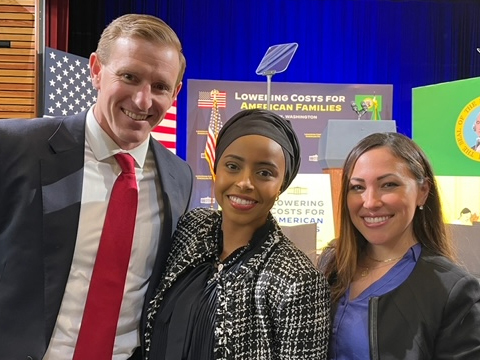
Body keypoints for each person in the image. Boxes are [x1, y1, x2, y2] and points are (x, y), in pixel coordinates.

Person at [0, 14, 193, 360]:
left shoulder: (179, 177)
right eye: (129, 77)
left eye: (160, 86)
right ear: (96, 70)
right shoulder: (14, 148)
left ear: (175, 92)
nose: (143, 101)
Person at [143, 109, 331, 359]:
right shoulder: (191, 228)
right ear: (216, 169)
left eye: (264, 173)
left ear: (282, 184)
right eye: (232, 166)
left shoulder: (299, 280)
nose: (244, 182)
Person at [319, 132, 480, 359]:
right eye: (357, 187)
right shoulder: (332, 264)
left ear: (422, 192)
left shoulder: (453, 291)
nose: (371, 202)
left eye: (388, 185)